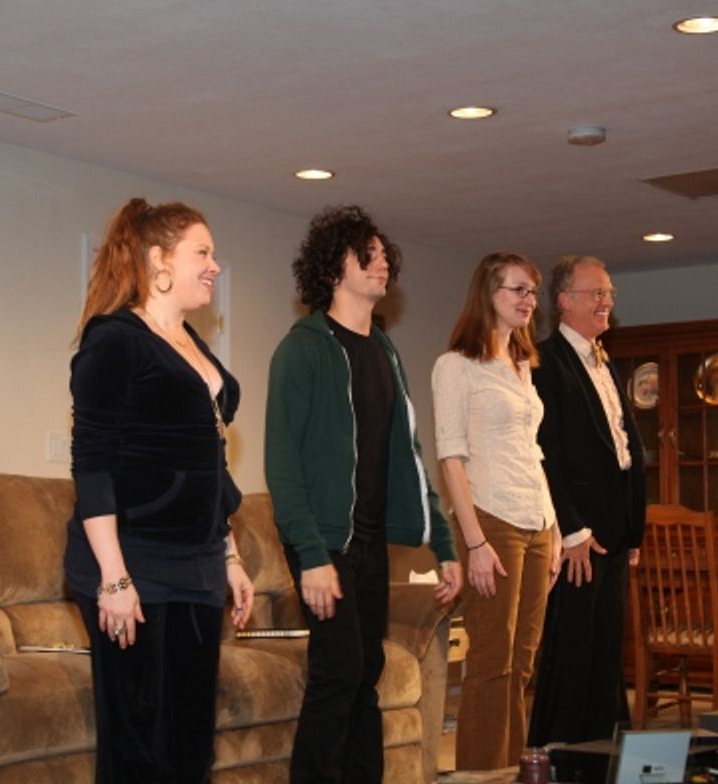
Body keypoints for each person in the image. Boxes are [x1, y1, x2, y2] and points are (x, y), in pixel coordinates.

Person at [265, 204, 462, 784]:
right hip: (325, 544)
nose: (382, 266)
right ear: (334, 268)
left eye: (383, 257)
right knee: (339, 671)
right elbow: (282, 467)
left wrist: (444, 544)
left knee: (365, 672)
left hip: (372, 544)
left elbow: (409, 456)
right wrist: (312, 556)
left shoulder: (384, 351)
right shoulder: (301, 349)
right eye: (367, 256)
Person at [63, 197, 255, 783]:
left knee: (190, 745)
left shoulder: (193, 344)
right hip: (134, 563)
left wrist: (230, 556)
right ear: (158, 259)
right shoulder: (114, 339)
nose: (215, 266)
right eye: (203, 252)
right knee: (138, 748)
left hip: (196, 566)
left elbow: (209, 465)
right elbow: (92, 468)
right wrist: (114, 580)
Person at [430, 252, 561, 770]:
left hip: (536, 521)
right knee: (490, 661)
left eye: (532, 290)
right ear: (488, 295)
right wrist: (476, 543)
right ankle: (482, 776)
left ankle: (514, 771)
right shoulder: (456, 366)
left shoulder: (523, 366)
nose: (528, 299)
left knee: (522, 663)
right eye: (517, 289)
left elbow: (532, 451)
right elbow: (450, 457)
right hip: (490, 519)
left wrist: (554, 532)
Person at [527, 255, 645, 746]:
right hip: (579, 535)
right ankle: (559, 757)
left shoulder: (603, 359)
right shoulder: (545, 360)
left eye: (609, 294)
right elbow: (545, 452)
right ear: (564, 301)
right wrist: (571, 529)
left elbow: (622, 447)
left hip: (615, 533)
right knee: (571, 651)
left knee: (604, 652)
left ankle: (608, 754)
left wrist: (632, 532)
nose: (606, 303)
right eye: (596, 293)